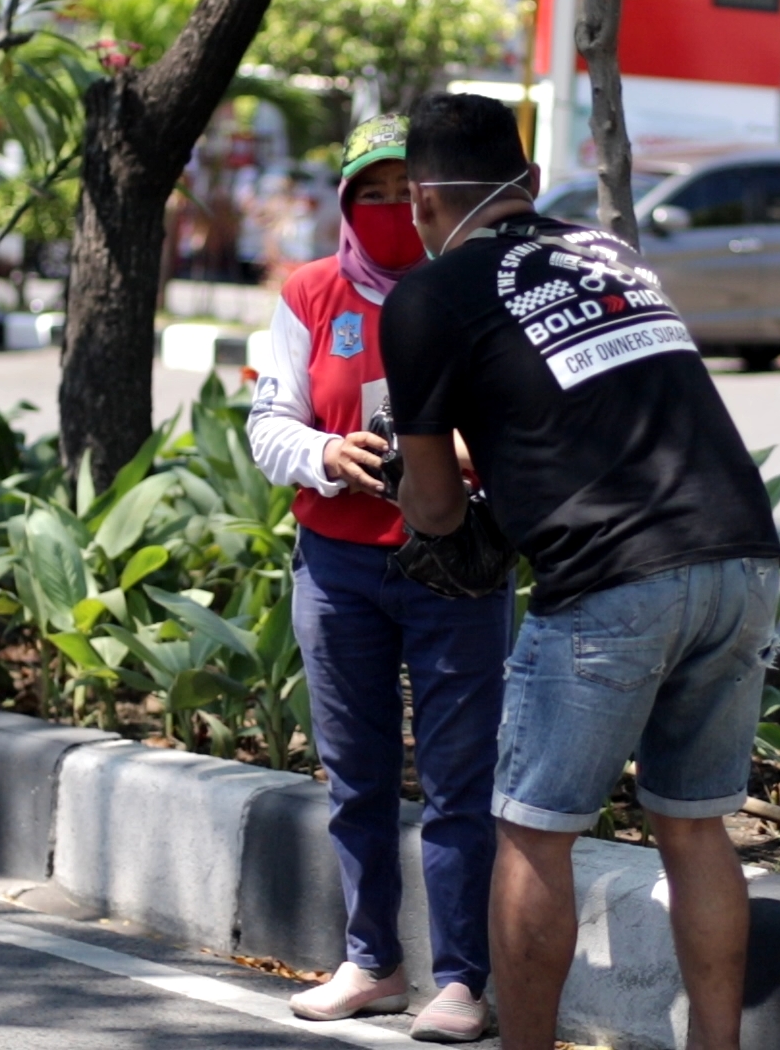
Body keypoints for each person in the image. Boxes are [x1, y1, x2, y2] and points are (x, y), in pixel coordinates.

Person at [379, 94, 780, 1050]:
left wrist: (425, 486)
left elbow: (433, 509)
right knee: (694, 828)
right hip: (740, 556)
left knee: (534, 831)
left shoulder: (427, 297)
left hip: (611, 581)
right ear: (527, 182)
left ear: (423, 199)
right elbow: (591, 404)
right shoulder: (609, 254)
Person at [246, 113, 509, 1044]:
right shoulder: (311, 292)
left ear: (435, 198)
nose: (393, 209)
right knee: (354, 775)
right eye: (374, 194)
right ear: (346, 201)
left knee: (458, 780)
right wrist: (326, 455)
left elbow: (526, 417)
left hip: (456, 567)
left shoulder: (475, 288)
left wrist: (475, 454)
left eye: (408, 192)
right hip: (339, 569)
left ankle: (462, 980)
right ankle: (371, 962)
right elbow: (268, 424)